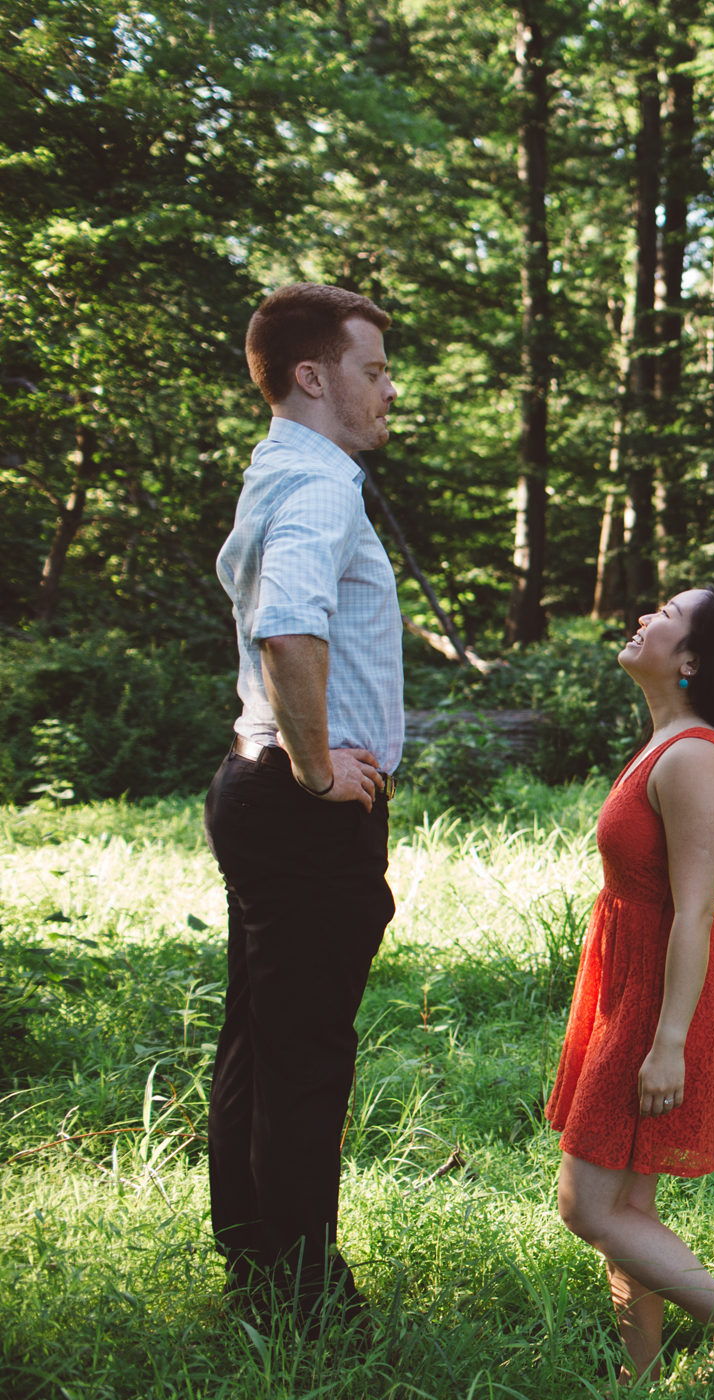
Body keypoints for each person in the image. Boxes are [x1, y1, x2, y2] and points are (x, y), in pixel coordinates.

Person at [203, 283, 402, 1331]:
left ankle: (254, 1261)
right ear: (314, 376)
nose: (388, 390)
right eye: (373, 369)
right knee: (307, 1051)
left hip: (255, 790)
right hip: (299, 801)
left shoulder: (277, 470)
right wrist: (319, 767)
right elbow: (288, 626)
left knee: (260, 1037)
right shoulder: (322, 484)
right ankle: (301, 1297)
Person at [548, 586, 714, 1380]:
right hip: (630, 988)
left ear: (691, 661)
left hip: (657, 1006)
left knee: (586, 1204)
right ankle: (636, 1381)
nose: (643, 617)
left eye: (666, 616)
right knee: (627, 1210)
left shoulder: (693, 759)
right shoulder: (667, 742)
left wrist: (667, 1042)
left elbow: (694, 913)